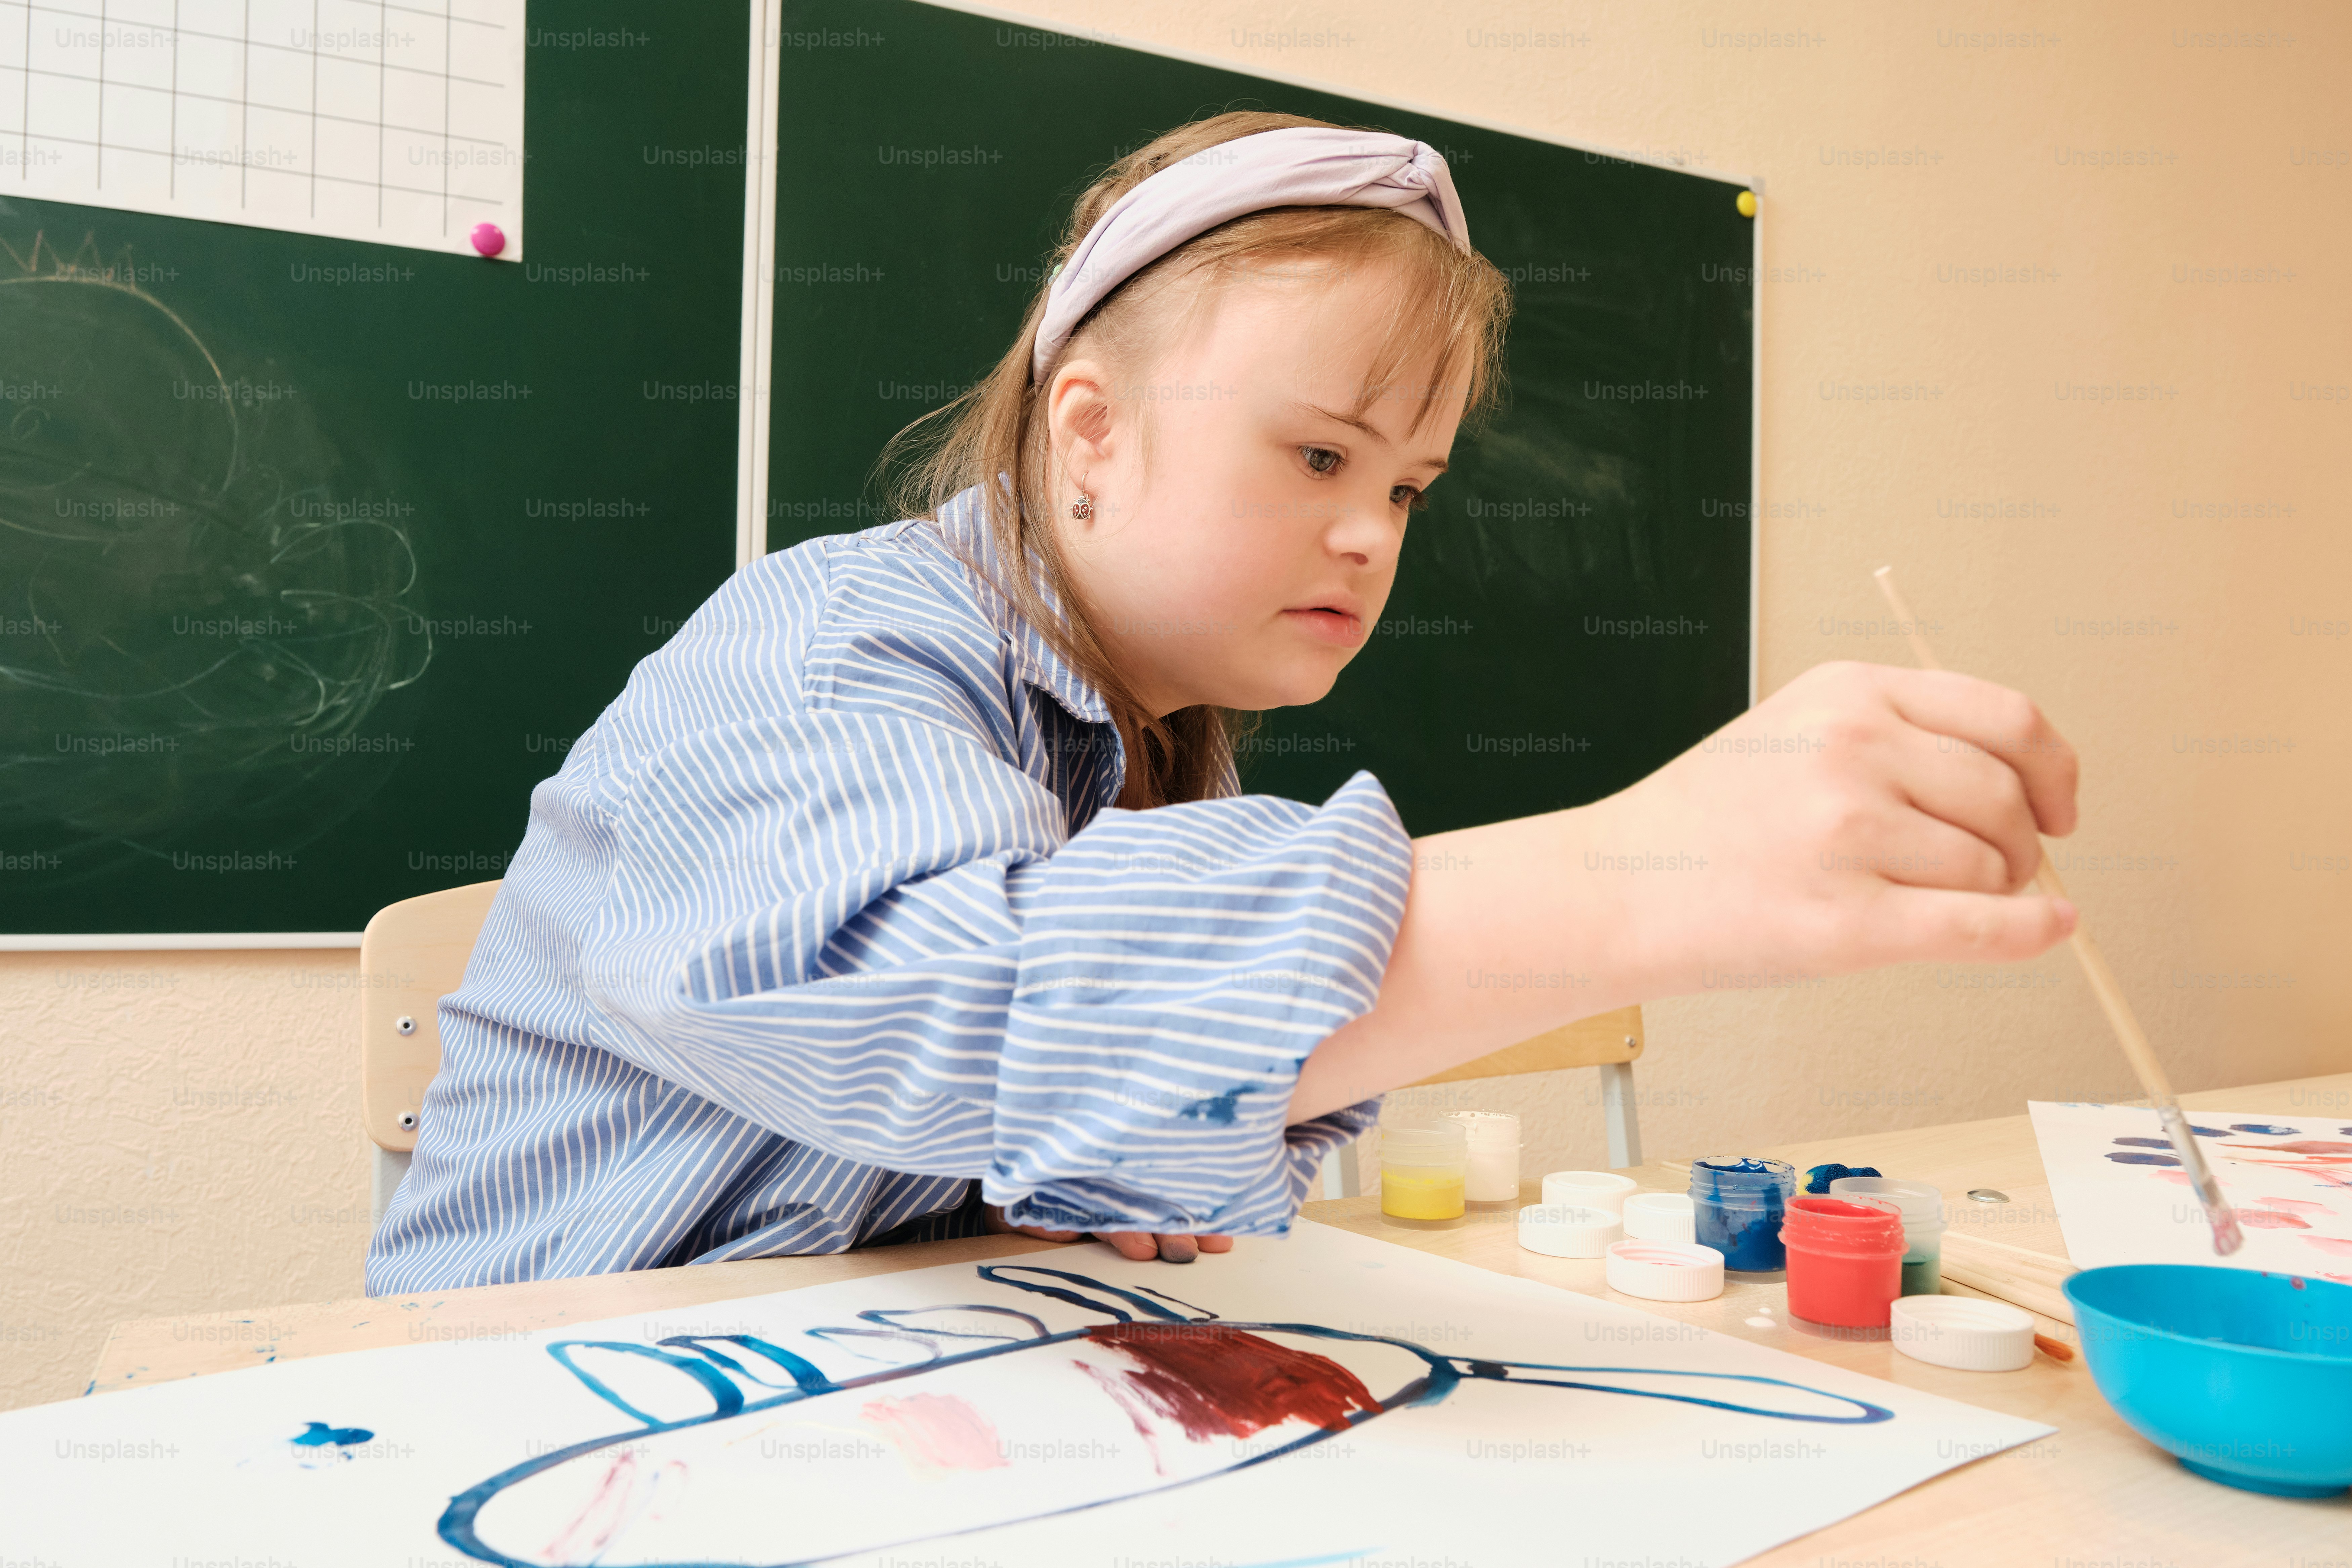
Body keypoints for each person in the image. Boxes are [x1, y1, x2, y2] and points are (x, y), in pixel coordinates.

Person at [367, 111, 2077, 1293]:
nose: (1369, 531)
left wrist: (1109, 1182)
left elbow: (1001, 1121)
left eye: (1407, 487)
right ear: (1089, 431)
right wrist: (1634, 871)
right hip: (512, 1391)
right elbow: (927, 994)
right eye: (1320, 450)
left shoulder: (1141, 746)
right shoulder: (826, 646)